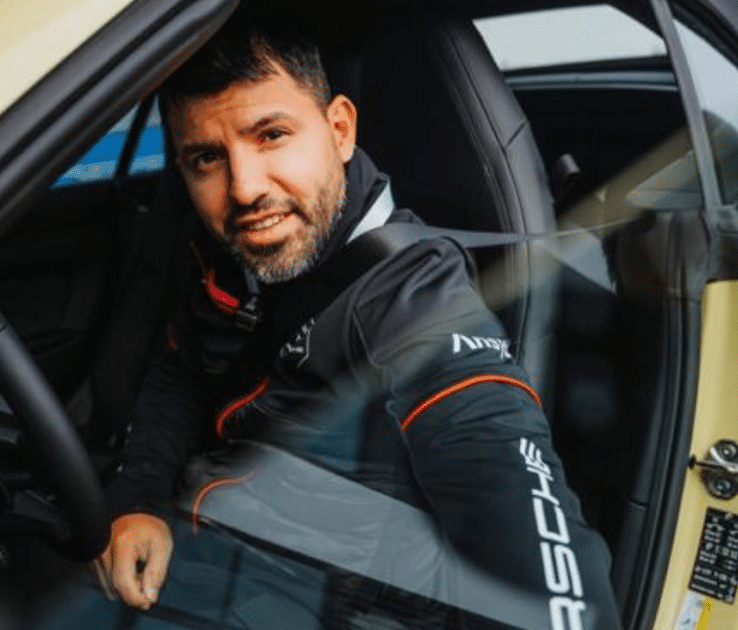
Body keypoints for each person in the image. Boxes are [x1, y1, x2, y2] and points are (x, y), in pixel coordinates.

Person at [97, 15, 621, 630]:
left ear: (339, 130)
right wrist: (138, 501)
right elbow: (183, 368)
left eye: (271, 135)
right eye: (207, 158)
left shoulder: (415, 301)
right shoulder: (234, 250)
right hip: (211, 554)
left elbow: (547, 574)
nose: (243, 189)